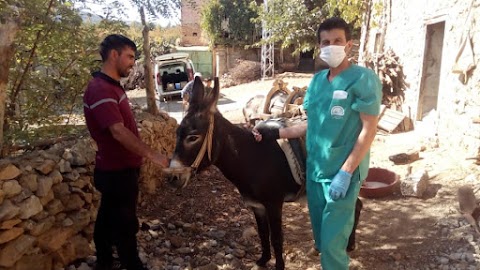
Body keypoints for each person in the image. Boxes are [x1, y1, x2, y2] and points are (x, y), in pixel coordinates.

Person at [253, 17, 382, 270]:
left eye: (337, 41)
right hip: (316, 172)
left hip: (343, 172)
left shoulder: (363, 79)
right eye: (326, 42)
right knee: (323, 237)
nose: (331, 46)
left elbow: (369, 129)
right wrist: (275, 134)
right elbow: (312, 125)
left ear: (349, 45)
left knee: (333, 248)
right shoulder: (317, 82)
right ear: (319, 47)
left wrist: (345, 173)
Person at [83, 34, 169, 270]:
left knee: (108, 218)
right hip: (116, 172)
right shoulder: (100, 89)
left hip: (119, 169)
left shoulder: (111, 86)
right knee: (125, 224)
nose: (133, 62)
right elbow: (118, 132)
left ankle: (104, 262)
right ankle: (131, 265)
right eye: (130, 56)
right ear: (114, 55)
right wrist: (154, 156)